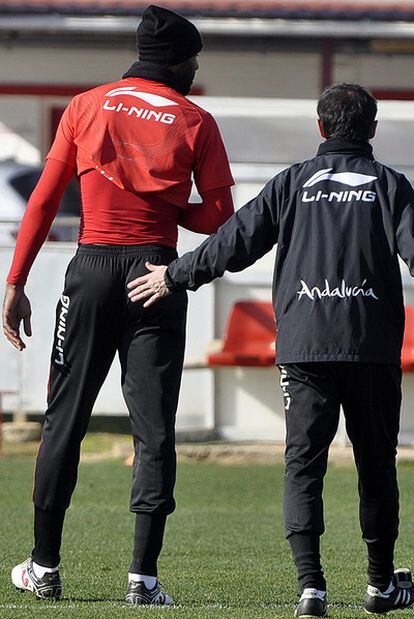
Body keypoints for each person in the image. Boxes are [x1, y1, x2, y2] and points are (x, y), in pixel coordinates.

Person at [129, 83, 414, 617]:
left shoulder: (293, 183)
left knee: (302, 465)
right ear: (372, 130)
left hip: (305, 346)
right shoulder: (391, 187)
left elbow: (234, 242)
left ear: (321, 128)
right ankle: (380, 585)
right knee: (377, 466)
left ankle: (312, 588)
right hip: (370, 348)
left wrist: (175, 274)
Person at [2, 4, 234, 606]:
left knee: (65, 419)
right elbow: (218, 218)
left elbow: (45, 200)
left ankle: (45, 566)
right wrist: (168, 210)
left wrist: (16, 281)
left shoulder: (85, 105)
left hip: (93, 270)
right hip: (157, 272)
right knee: (153, 430)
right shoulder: (195, 118)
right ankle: (143, 579)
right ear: (179, 62)